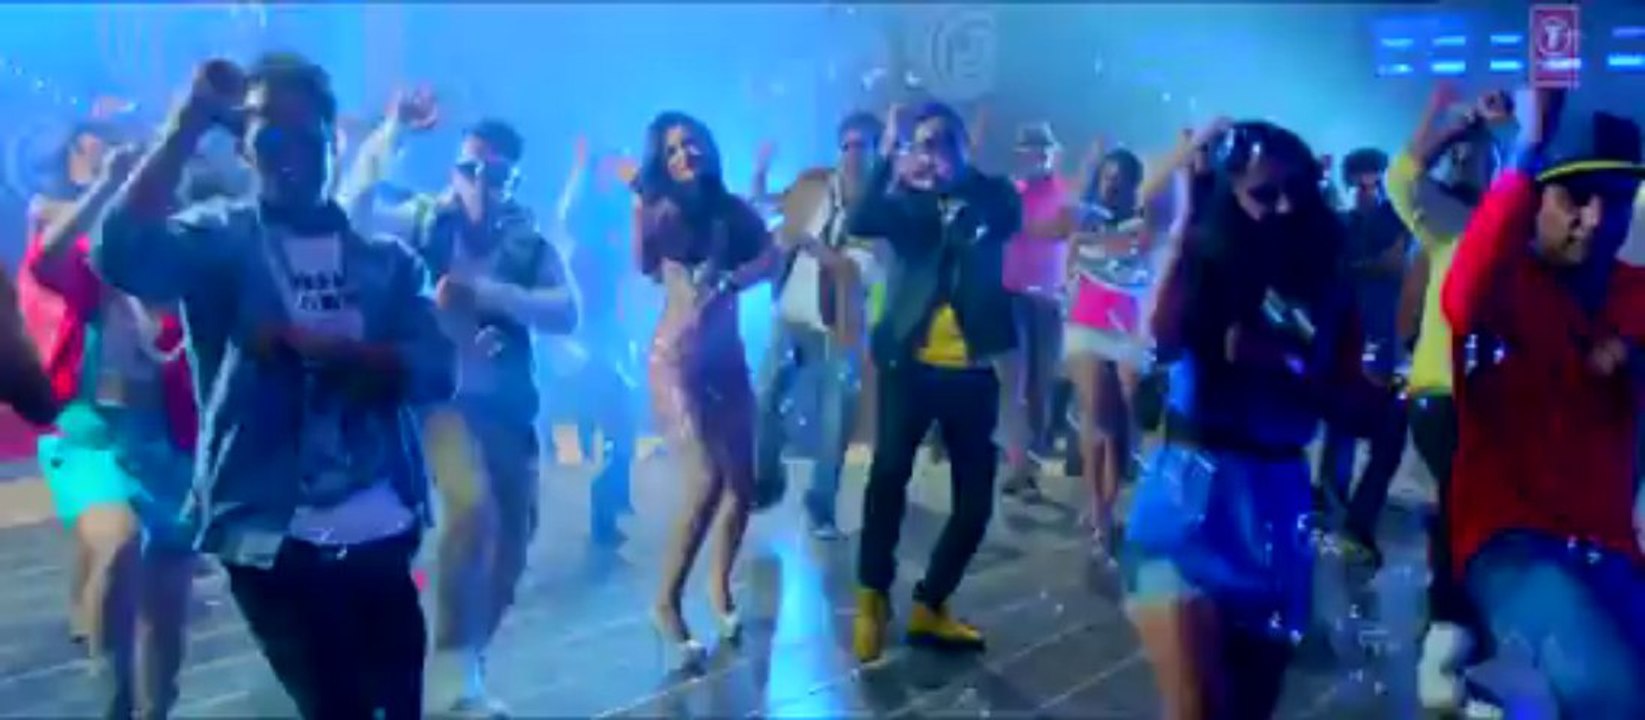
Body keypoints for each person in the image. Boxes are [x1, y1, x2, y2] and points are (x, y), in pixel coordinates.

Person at [97, 54, 456, 719]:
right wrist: (189, 120)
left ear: (333, 141)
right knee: (341, 708)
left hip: (382, 524)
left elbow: (437, 369)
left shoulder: (386, 262)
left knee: (399, 707)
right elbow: (122, 254)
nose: (290, 157)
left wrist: (323, 350)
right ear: (245, 148)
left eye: (307, 139)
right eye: (270, 138)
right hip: (272, 535)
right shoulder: (222, 239)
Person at [345, 109, 578, 714]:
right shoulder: (425, 220)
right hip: (439, 401)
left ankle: (466, 661)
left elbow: (567, 310)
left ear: (512, 181)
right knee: (470, 508)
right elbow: (354, 213)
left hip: (507, 406)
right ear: (454, 171)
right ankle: (449, 665)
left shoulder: (526, 240)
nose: (479, 184)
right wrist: (392, 132)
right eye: (468, 169)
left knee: (513, 545)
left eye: (493, 174)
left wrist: (489, 295)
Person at [1127, 119, 1361, 718]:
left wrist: (1291, 362)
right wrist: (1186, 220)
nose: (1284, 206)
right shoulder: (1201, 260)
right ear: (1229, 193)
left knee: (1252, 707)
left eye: (1296, 190)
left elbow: (1352, 397)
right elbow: (1157, 337)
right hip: (1190, 496)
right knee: (1195, 708)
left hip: (1277, 503)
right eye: (1263, 193)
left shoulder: (1325, 275)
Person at [1441, 88, 1645, 720]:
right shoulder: (1502, 285)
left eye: (1615, 199)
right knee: (1609, 693)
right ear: (1533, 198)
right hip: (1513, 544)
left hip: (1610, 546)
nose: (1595, 218)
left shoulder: (1637, 294)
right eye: (1575, 197)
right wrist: (1526, 151)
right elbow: (1464, 295)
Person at [22, 134, 199, 719]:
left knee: (166, 608)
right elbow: (45, 258)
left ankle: (154, 711)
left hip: (167, 446)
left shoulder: (191, 267)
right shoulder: (91, 265)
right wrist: (104, 185)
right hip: (90, 437)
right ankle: (114, 702)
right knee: (120, 542)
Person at [849, 102, 1021, 663]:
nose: (934, 153)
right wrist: (889, 164)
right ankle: (872, 596)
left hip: (973, 371)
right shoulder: (907, 205)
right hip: (911, 366)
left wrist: (955, 182)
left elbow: (1000, 219)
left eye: (945, 141)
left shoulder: (993, 196)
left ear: (965, 146)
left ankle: (931, 603)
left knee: (975, 503)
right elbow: (859, 219)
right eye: (923, 143)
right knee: (888, 478)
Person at [633, 110, 774, 670]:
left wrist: (738, 278)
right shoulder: (661, 211)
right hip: (676, 363)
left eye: (690, 144)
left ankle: (719, 589)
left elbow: (771, 256)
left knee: (743, 482)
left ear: (708, 148)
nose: (684, 154)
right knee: (706, 478)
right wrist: (641, 203)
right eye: (671, 150)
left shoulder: (733, 211)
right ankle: (665, 602)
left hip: (727, 363)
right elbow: (644, 261)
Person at [1383, 83, 1507, 712]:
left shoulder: (1510, 225)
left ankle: (1453, 647)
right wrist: (1449, 125)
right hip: (1442, 393)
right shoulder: (1445, 218)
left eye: (1474, 153)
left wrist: (1505, 132)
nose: (1464, 161)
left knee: (1474, 523)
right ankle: (1445, 655)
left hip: (1496, 399)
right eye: (1458, 155)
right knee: (1461, 522)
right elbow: (1401, 176)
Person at [747, 112, 884, 540]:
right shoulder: (814, 185)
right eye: (847, 145)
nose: (853, 154)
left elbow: (855, 270)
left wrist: (807, 243)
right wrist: (760, 169)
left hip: (840, 326)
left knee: (834, 419)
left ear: (877, 151)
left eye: (862, 146)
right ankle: (766, 482)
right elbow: (764, 204)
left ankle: (820, 505)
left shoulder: (882, 206)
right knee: (765, 396)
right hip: (791, 313)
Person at [1314, 147, 1412, 564]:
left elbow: (1398, 267)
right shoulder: (1342, 224)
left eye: (1373, 180)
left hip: (1389, 343)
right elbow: (1350, 269)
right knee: (1342, 434)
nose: (1366, 188)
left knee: (1385, 440)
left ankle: (1356, 522)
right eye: (1359, 181)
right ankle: (1332, 516)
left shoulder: (1401, 219)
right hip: (1348, 344)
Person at [554, 138, 640, 547]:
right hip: (592, 335)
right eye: (607, 166)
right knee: (615, 419)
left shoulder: (615, 216)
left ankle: (615, 498)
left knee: (624, 420)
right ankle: (604, 512)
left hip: (614, 330)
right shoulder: (581, 233)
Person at [997, 122, 1070, 500]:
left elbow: (1060, 230)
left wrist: (1026, 227)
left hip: (1048, 300)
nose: (1035, 156)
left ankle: (1033, 466)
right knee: (1016, 385)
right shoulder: (1010, 192)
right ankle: (1018, 466)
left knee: (1041, 385)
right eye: (1029, 149)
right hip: (1012, 297)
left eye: (1042, 149)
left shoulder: (1063, 192)